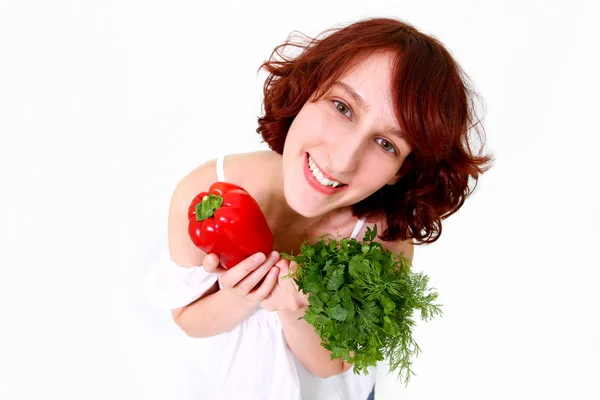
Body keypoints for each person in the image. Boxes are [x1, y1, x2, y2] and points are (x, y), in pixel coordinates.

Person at [144, 16, 492, 400]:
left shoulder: (385, 241)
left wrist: (294, 310)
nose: (343, 160)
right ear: (309, 87)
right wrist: (242, 296)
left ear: (400, 172)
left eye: (387, 144)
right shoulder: (202, 193)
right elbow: (187, 319)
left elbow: (336, 364)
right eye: (342, 107)